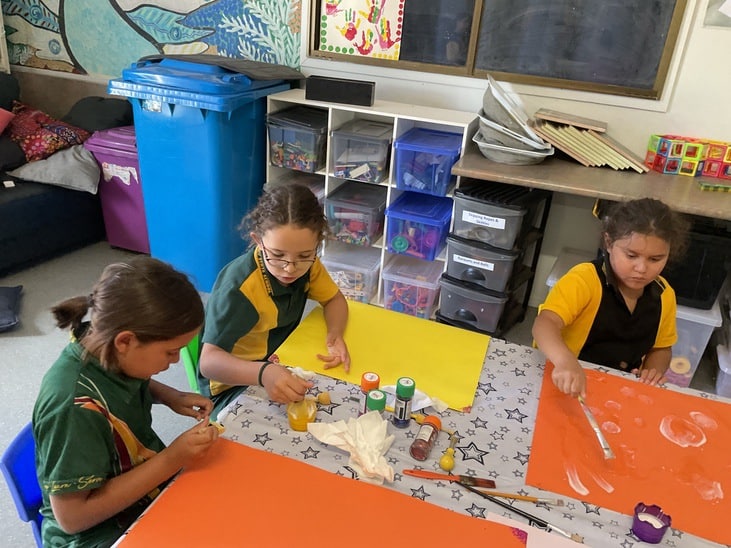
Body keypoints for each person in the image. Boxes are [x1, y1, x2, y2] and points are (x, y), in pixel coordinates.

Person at [33, 257, 219, 547]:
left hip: (138, 480)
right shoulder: (74, 408)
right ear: (125, 341)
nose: (174, 363)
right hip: (97, 533)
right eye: (171, 353)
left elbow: (127, 377)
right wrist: (172, 459)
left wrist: (171, 395)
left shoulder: (101, 344)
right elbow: (72, 519)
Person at [199, 184, 350, 415]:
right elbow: (209, 363)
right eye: (278, 255)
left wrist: (334, 334)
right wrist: (264, 373)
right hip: (230, 385)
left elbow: (334, 300)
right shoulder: (240, 290)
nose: (290, 268)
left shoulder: (308, 266)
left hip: (277, 361)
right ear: (258, 240)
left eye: (304, 256)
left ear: (316, 246)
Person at [532, 198, 689, 398]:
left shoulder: (665, 294)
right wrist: (565, 361)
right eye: (631, 256)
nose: (641, 269)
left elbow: (662, 348)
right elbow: (544, 324)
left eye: (655, 259)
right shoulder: (584, 280)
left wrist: (651, 373)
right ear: (609, 243)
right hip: (562, 379)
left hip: (616, 388)